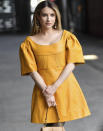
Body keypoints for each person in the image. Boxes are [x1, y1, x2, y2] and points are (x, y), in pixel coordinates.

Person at [19, 0, 91, 129]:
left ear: (56, 17)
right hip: (43, 88)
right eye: (44, 15)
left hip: (64, 85)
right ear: (37, 17)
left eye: (52, 15)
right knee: (52, 125)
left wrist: (54, 87)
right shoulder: (29, 43)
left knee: (56, 125)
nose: (49, 19)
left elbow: (71, 63)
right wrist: (47, 92)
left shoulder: (67, 37)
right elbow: (32, 70)